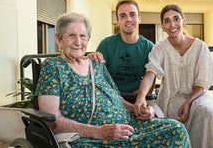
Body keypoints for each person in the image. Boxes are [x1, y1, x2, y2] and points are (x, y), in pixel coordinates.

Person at [35, 12, 191, 147]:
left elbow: (116, 97)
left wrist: (138, 109)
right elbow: (52, 119)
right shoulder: (53, 67)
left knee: (176, 130)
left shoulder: (96, 64)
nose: (78, 42)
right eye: (71, 35)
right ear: (58, 39)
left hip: (129, 126)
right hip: (91, 137)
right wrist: (99, 132)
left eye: (83, 36)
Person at [133, 4, 213, 148]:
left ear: (184, 21)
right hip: (170, 100)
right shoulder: (159, 48)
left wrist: (189, 102)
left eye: (176, 19)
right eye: (167, 21)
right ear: (162, 26)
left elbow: (202, 83)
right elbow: (150, 73)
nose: (172, 24)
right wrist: (141, 97)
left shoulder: (200, 47)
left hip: (196, 97)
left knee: (207, 111)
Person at [88, 0, 154, 95]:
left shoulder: (149, 47)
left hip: (137, 97)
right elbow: (98, 78)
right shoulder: (106, 44)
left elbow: (151, 79)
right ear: (117, 21)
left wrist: (139, 96)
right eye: (123, 16)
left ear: (139, 18)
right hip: (110, 98)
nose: (128, 19)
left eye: (132, 14)